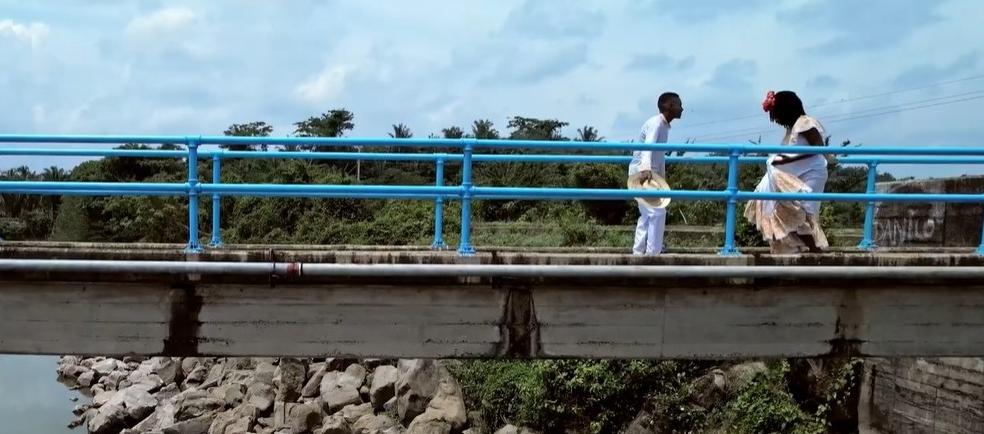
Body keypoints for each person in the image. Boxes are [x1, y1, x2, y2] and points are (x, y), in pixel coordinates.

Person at [744, 90, 830, 253]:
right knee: (790, 210)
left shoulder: (805, 123)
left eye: (776, 114)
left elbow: (818, 148)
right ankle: (806, 249)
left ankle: (815, 250)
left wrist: (788, 158)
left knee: (802, 210)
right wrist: (784, 158)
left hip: (812, 171)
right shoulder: (792, 128)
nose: (776, 119)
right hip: (798, 172)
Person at [628, 92, 683, 255]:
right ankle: (652, 253)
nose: (682, 109)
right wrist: (646, 170)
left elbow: (659, 156)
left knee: (647, 214)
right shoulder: (656, 124)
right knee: (657, 212)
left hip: (649, 174)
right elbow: (648, 147)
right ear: (668, 106)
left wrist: (661, 179)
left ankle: (639, 251)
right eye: (679, 105)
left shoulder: (664, 126)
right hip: (643, 174)